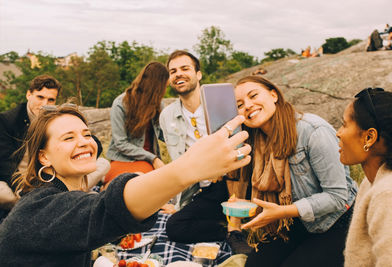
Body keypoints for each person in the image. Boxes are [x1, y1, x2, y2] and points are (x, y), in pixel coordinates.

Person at [0, 105, 251, 266]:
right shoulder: (39, 209)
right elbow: (108, 208)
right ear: (43, 157)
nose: (84, 142)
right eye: (68, 137)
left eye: (86, 134)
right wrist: (190, 167)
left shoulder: (61, 197)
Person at [229, 76, 358, 267]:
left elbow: (337, 196)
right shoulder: (258, 141)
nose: (247, 105)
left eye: (253, 95)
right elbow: (278, 195)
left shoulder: (313, 130)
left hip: (337, 221)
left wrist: (282, 211)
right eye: (240, 105)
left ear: (274, 95)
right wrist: (247, 204)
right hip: (295, 220)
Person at [160, 50, 243, 248]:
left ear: (198, 74)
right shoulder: (167, 115)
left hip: (233, 181)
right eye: (173, 71)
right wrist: (178, 203)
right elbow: (178, 162)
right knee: (175, 227)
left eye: (185, 68)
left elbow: (242, 145)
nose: (178, 74)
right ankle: (226, 228)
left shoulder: (222, 103)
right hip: (203, 189)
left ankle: (237, 225)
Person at [0, 75, 110, 222]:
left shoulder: (57, 117)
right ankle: (42, 204)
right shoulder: (7, 120)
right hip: (20, 179)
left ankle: (62, 199)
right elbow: (5, 163)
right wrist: (22, 191)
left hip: (55, 175)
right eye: (40, 97)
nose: (44, 103)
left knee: (104, 164)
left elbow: (92, 140)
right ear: (28, 94)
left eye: (51, 99)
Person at [336, 88, 392, 266]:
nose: (338, 133)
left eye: (344, 124)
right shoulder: (371, 181)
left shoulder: (389, 193)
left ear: (369, 137)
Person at [104, 62, 168, 189]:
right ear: (158, 86)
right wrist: (153, 158)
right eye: (165, 86)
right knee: (137, 187)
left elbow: (163, 135)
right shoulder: (120, 104)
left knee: (160, 187)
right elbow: (120, 143)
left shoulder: (159, 105)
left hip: (149, 160)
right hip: (123, 159)